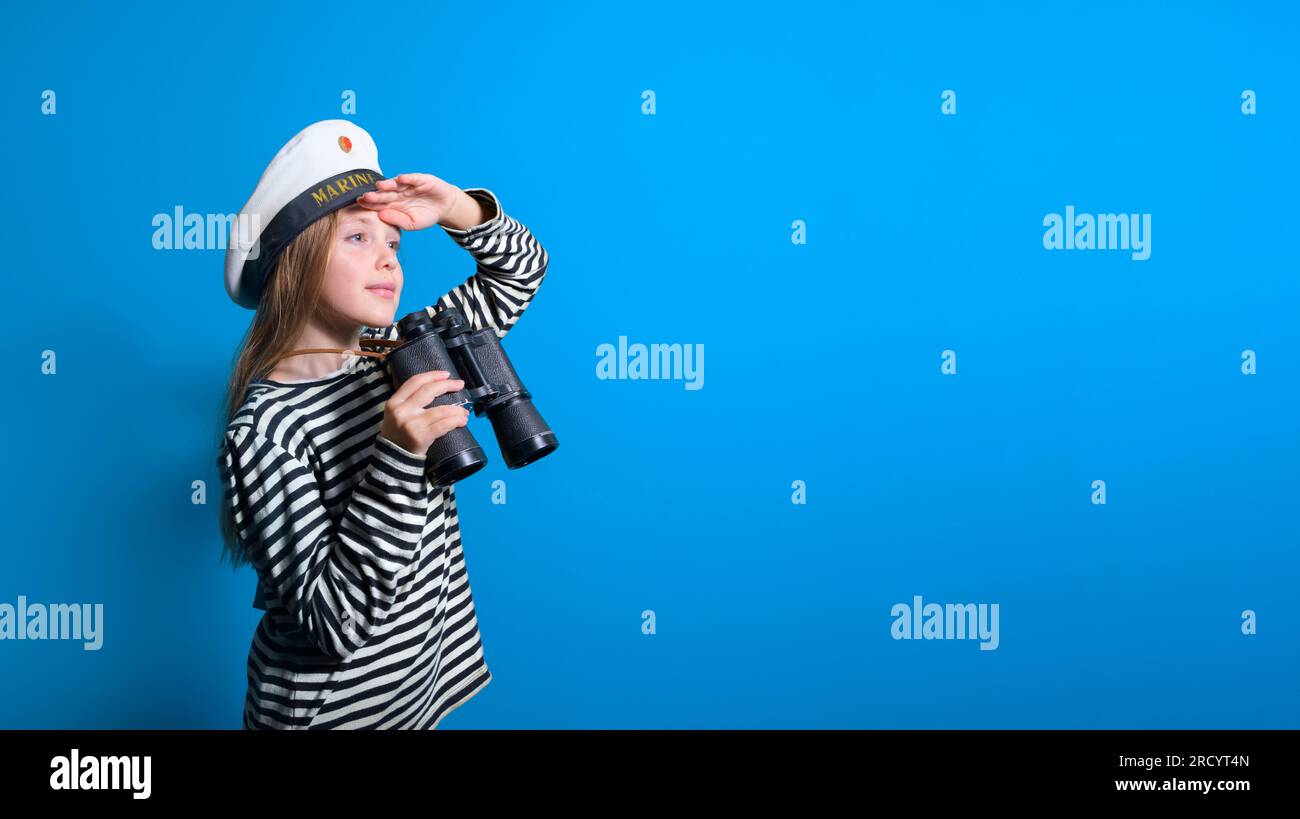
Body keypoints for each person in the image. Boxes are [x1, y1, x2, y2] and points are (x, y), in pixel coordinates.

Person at [215, 119, 548, 729]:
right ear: (294, 262)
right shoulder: (265, 430)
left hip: (419, 694)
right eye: (358, 240)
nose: (387, 261)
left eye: (392, 245)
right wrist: (395, 457)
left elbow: (521, 271)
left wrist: (459, 208)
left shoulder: (396, 353)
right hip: (328, 715)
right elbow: (334, 624)